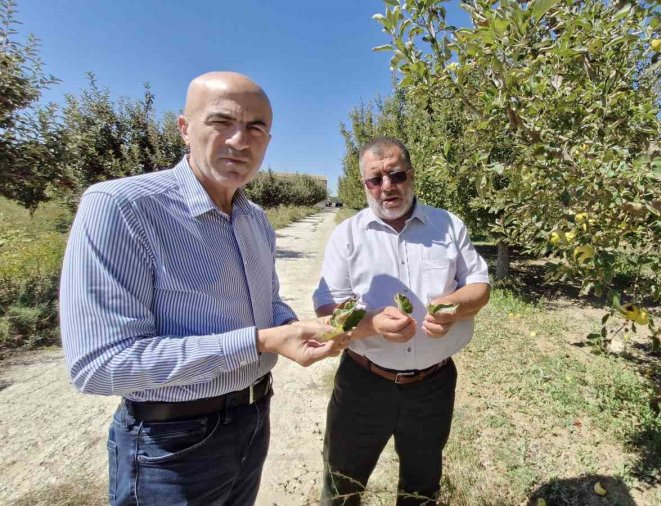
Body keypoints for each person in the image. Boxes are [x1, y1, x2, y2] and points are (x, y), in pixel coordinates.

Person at [59, 71, 345, 505]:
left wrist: (295, 327)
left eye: (255, 128)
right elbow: (100, 364)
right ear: (184, 128)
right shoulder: (122, 208)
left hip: (253, 419)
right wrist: (260, 342)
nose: (240, 141)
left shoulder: (255, 220)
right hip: (170, 443)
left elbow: (266, 303)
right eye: (221, 122)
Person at [313, 137, 491, 505]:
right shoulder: (348, 236)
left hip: (432, 386)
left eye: (396, 175)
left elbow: (480, 287)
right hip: (363, 384)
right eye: (375, 179)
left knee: (421, 487)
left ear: (411, 175)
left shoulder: (448, 226)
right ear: (364, 184)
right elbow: (328, 308)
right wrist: (370, 324)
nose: (387, 187)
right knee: (342, 483)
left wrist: (455, 306)